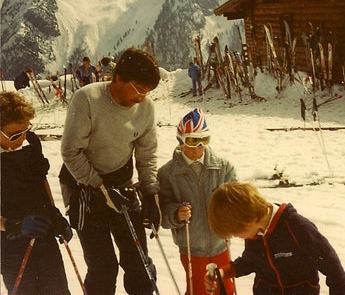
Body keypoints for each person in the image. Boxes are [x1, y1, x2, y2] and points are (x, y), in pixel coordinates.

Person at [59, 47, 162, 295]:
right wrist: (100, 188)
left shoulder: (145, 108)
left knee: (139, 261)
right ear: (118, 78)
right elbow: (71, 152)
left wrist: (151, 193)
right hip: (84, 185)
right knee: (103, 266)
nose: (141, 98)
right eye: (138, 89)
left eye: (147, 93)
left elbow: (146, 155)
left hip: (121, 182)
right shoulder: (88, 99)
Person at [204, 182, 345, 295]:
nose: (236, 237)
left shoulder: (298, 228)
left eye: (235, 233)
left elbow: (335, 272)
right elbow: (250, 261)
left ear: (248, 221)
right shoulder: (255, 231)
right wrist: (223, 273)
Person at [158, 108, 237, 295]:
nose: (199, 147)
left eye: (204, 140)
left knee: (226, 287)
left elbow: (237, 200)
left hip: (220, 242)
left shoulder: (223, 166)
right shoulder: (168, 173)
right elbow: (162, 212)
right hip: (191, 245)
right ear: (181, 140)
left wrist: (229, 209)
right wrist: (176, 213)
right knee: (198, 289)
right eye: (193, 141)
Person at [1, 91, 72, 295]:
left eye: (25, 130)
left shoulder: (30, 143)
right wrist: (14, 226)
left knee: (57, 289)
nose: (22, 138)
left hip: (42, 229)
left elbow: (40, 180)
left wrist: (53, 212)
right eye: (15, 135)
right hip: (10, 240)